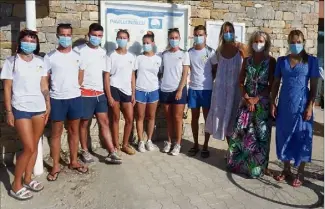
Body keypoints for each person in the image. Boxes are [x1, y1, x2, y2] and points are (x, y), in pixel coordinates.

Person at [1, 29, 49, 200]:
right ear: (20, 42)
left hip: (39, 107)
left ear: (36, 44)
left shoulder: (41, 61)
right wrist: (8, 111)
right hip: (20, 107)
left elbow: (44, 85)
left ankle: (28, 178)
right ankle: (16, 185)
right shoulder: (11, 62)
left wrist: (48, 104)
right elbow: (7, 88)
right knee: (28, 147)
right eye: (26, 40)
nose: (29, 43)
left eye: (32, 40)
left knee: (35, 145)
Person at [271, 30, 321, 187]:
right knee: (283, 135)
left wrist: (310, 106)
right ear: (288, 43)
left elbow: (314, 87)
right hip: (284, 106)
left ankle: (300, 172)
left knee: (302, 137)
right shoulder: (281, 61)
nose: (295, 45)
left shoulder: (311, 61)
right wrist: (272, 102)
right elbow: (275, 83)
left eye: (298, 42)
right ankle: (286, 169)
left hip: (302, 105)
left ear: (303, 42)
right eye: (293, 42)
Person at [227, 31, 276, 178]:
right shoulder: (247, 60)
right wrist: (246, 96)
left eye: (261, 41)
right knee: (242, 133)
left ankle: (260, 167)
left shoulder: (271, 61)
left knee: (261, 135)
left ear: (266, 44)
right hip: (246, 102)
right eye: (255, 41)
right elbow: (241, 81)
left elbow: (272, 84)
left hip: (262, 103)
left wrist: (257, 99)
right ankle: (239, 165)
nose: (258, 44)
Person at [45, 23, 88, 181]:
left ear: (71, 36)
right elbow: (45, 80)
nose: (65, 38)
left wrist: (75, 87)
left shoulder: (78, 56)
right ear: (57, 36)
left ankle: (74, 161)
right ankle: (55, 166)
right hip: (57, 99)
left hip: (75, 98)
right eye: (62, 35)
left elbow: (81, 75)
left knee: (74, 131)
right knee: (56, 134)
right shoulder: (49, 57)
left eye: (68, 35)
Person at [74, 23, 121, 164]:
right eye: (94, 35)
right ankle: (85, 151)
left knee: (104, 122)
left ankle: (112, 151)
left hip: (99, 94)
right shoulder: (78, 50)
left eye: (99, 36)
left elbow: (104, 74)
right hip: (84, 93)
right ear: (88, 35)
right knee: (84, 123)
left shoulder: (103, 52)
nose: (96, 38)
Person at [205, 22, 245, 148]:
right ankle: (230, 150)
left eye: (230, 31)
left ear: (234, 33)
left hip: (235, 90)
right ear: (222, 34)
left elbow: (250, 63)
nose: (228, 34)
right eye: (225, 31)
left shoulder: (240, 48)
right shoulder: (219, 50)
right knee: (224, 119)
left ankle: (234, 151)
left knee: (234, 120)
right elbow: (215, 69)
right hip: (221, 91)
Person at [187, 25, 217, 158]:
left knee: (206, 118)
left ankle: (205, 145)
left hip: (206, 90)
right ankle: (195, 144)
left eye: (201, 34)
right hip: (193, 89)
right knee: (194, 118)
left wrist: (209, 81)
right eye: (196, 34)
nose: (198, 37)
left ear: (205, 36)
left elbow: (215, 69)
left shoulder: (211, 52)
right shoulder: (189, 52)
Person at [105, 29, 136, 155]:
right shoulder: (111, 55)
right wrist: (109, 96)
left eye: (124, 38)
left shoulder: (131, 56)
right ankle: (116, 146)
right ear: (116, 39)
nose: (122, 40)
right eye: (120, 37)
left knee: (129, 119)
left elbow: (133, 75)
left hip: (127, 90)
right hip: (114, 88)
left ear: (128, 40)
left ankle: (125, 144)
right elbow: (106, 76)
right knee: (116, 119)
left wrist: (133, 93)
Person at [160, 28, 190, 156]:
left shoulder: (184, 54)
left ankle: (178, 143)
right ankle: (169, 141)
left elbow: (185, 73)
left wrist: (179, 90)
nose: (174, 40)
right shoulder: (164, 54)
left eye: (176, 37)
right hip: (165, 90)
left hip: (179, 90)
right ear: (168, 39)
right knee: (168, 118)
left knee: (177, 118)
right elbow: (161, 71)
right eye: (171, 38)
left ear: (179, 39)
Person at [135, 32, 162, 152]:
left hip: (154, 91)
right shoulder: (139, 58)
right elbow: (133, 74)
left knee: (151, 117)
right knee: (140, 117)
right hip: (140, 90)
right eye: (144, 43)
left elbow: (161, 74)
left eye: (148, 43)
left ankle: (149, 140)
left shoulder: (158, 59)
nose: (146, 45)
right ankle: (141, 141)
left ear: (153, 43)